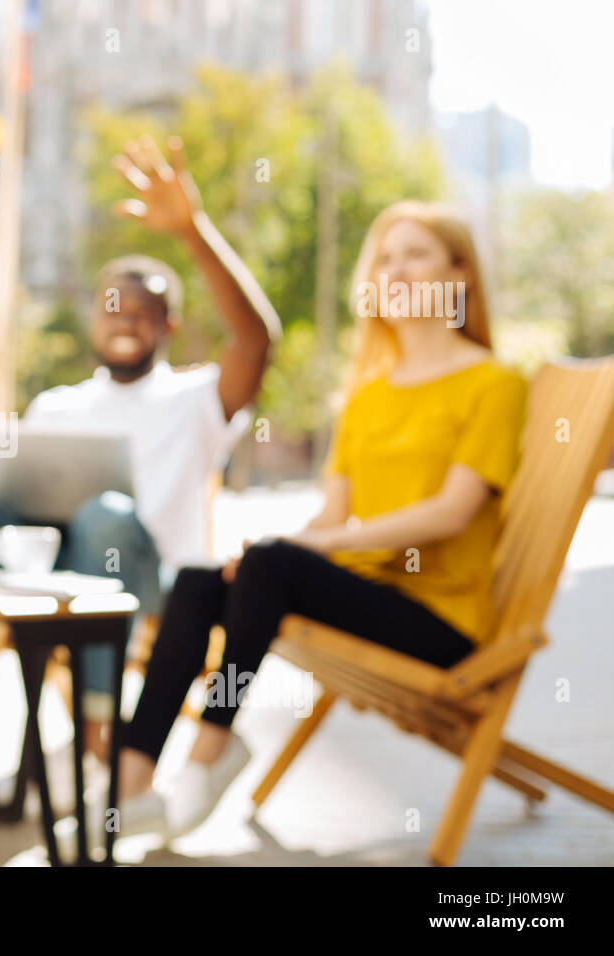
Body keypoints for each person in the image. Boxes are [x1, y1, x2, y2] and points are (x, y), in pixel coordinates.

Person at [108, 200, 530, 840]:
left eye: (417, 254)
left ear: (461, 274)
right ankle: (130, 785)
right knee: (200, 577)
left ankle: (210, 752)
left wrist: (299, 551)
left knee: (274, 560)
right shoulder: (368, 394)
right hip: (363, 592)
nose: (397, 270)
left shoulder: (494, 384)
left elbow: (451, 513)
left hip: (439, 619)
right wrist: (262, 557)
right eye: (385, 258)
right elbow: (331, 515)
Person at [0, 135, 281, 806]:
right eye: (114, 306)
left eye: (145, 311)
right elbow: (14, 500)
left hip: (153, 592)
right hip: (53, 576)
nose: (127, 320)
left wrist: (192, 230)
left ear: (169, 324)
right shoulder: (57, 406)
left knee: (107, 516)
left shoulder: (196, 398)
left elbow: (257, 339)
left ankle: (97, 753)